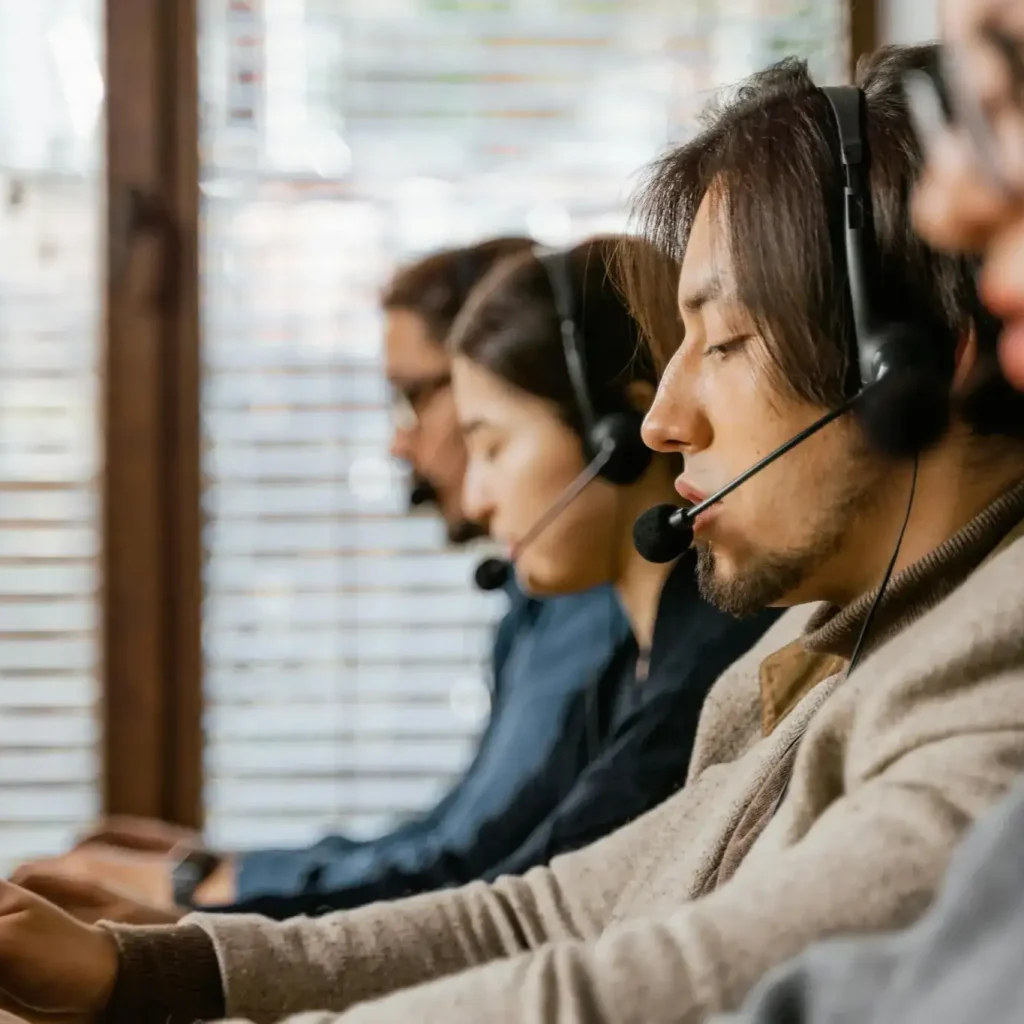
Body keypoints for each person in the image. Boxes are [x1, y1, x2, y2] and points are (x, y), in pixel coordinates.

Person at [4, 41, 1024, 1024]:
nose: (665, 423)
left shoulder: (988, 663)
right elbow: (550, 909)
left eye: (724, 341)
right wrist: (137, 971)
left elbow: (660, 987)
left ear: (906, 361)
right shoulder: (830, 634)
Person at [10, 237, 777, 929]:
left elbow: (501, 901)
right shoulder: (629, 644)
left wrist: (195, 923)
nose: (473, 490)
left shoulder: (685, 667)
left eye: (491, 442)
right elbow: (477, 857)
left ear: (616, 437)